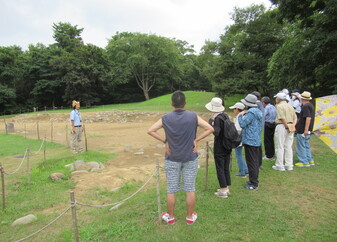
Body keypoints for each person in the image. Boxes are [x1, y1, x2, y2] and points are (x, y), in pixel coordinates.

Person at [147, 91, 213, 225]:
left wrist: (165, 141)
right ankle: (189, 217)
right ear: (185, 103)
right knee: (190, 188)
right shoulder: (193, 116)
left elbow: (151, 130)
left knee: (171, 189)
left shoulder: (165, 118)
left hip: (172, 158)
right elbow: (210, 128)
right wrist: (196, 139)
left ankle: (170, 217)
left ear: (172, 104)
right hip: (190, 157)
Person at [206, 97, 232, 198]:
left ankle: (223, 189)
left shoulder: (217, 118)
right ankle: (226, 186)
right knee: (226, 166)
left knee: (220, 167)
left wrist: (210, 122)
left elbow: (216, 132)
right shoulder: (225, 116)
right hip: (227, 145)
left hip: (220, 145)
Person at [238, 94, 263, 190]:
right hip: (256, 139)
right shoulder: (257, 112)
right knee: (254, 161)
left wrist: (240, 116)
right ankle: (253, 179)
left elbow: (242, 124)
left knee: (251, 162)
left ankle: (254, 183)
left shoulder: (250, 113)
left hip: (249, 140)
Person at [273, 92, 297, 171]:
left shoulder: (279, 106)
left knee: (280, 146)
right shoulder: (290, 106)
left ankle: (279, 165)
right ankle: (289, 164)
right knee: (288, 146)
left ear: (279, 99)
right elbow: (295, 118)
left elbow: (282, 117)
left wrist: (286, 126)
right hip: (290, 125)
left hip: (282, 126)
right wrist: (292, 125)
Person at [295, 91, 315, 167]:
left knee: (301, 145)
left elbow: (308, 118)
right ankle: (310, 159)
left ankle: (303, 161)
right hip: (309, 129)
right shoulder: (311, 105)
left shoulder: (306, 106)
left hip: (303, 129)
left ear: (303, 98)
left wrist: (305, 130)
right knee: (306, 145)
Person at [229, 102, 248, 178]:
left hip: (238, 138)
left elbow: (237, 129)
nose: (234, 110)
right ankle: (245, 170)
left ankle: (242, 171)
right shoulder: (244, 115)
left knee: (238, 154)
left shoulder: (239, 116)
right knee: (240, 154)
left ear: (237, 109)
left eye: (234, 109)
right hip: (242, 137)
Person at [251, 91, 264, 170]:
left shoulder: (257, 105)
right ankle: (258, 164)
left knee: (257, 145)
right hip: (259, 127)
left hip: (257, 127)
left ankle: (258, 164)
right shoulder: (260, 104)